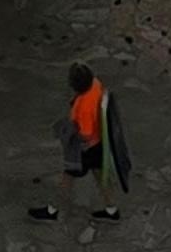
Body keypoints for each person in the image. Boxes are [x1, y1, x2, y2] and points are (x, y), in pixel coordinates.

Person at [31, 59, 127, 220]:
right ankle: (111, 209)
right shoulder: (96, 85)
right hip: (99, 145)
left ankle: (52, 210)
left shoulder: (84, 108)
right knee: (100, 175)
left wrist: (69, 132)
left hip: (85, 150)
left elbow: (86, 134)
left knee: (67, 177)